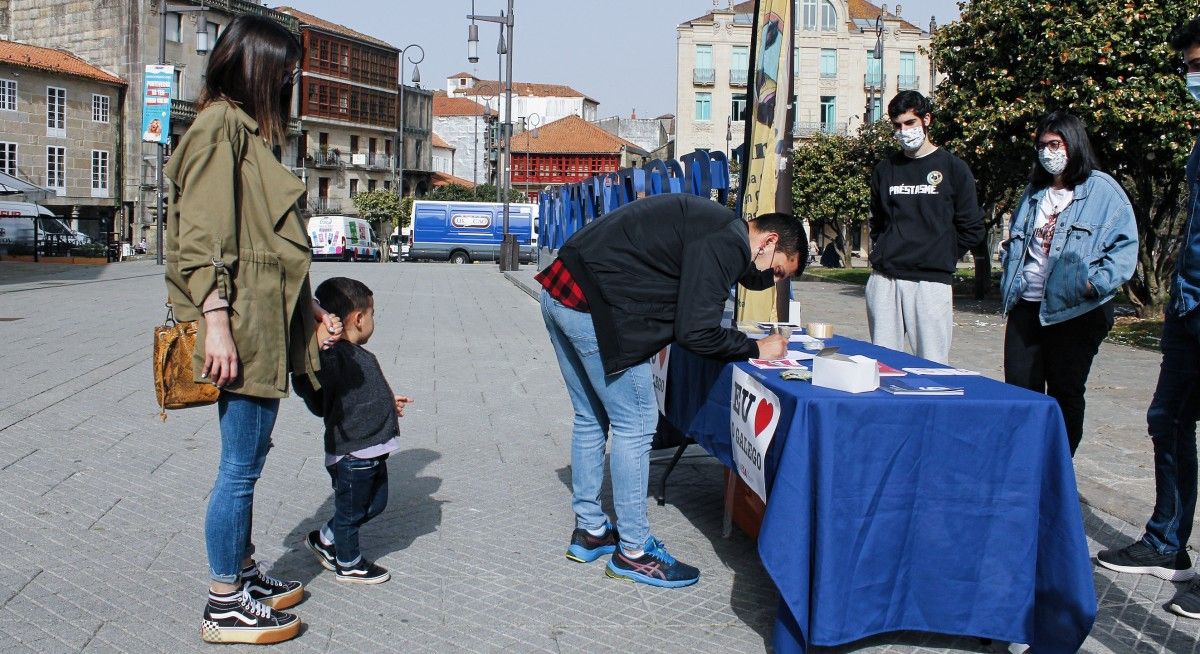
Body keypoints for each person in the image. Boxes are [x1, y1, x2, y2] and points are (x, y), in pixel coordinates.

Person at [163, 15, 342, 645]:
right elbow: (201, 239)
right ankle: (223, 601)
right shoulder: (219, 130)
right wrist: (215, 323)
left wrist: (308, 311)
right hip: (237, 328)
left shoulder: (242, 133)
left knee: (252, 459)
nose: (292, 82)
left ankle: (239, 569)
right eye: (287, 72)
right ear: (257, 69)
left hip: (260, 325)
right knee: (239, 467)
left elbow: (265, 243)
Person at [538, 193, 804, 588]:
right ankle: (634, 552)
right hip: (597, 309)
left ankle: (591, 530)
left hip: (560, 289)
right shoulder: (727, 242)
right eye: (779, 271)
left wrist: (763, 275)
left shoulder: (719, 225)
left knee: (590, 417)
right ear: (767, 243)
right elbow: (695, 332)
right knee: (636, 424)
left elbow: (734, 273)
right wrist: (755, 348)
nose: (773, 280)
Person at [1096, 16, 1200, 619]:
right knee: (1167, 418)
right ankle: (1168, 543)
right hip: (1189, 301)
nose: (1191, 77)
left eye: (1197, 63)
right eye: (1188, 66)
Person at [998, 111, 1138, 456]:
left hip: (1074, 311)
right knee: (1019, 392)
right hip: (1026, 306)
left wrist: (1093, 285)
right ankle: (1026, 464)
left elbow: (1124, 249)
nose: (1048, 152)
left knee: (1065, 391)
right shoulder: (1034, 193)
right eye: (1042, 145)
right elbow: (1019, 243)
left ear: (1073, 145)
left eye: (1055, 144)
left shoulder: (1103, 191)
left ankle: (1059, 467)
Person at [297, 277, 411, 585]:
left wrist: (388, 401)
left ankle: (326, 539)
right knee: (351, 511)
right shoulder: (335, 356)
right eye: (373, 314)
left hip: (371, 450)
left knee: (374, 503)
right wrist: (322, 344)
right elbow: (318, 386)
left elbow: (359, 393)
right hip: (352, 454)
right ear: (359, 318)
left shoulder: (360, 355)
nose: (374, 320)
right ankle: (348, 563)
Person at [866, 90, 985, 364]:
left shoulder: (954, 168)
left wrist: (939, 253)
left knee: (932, 366)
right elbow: (878, 221)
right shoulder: (885, 169)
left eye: (910, 123)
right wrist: (884, 249)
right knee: (884, 366)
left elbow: (972, 227)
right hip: (887, 279)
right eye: (897, 125)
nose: (903, 131)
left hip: (930, 282)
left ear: (926, 119)